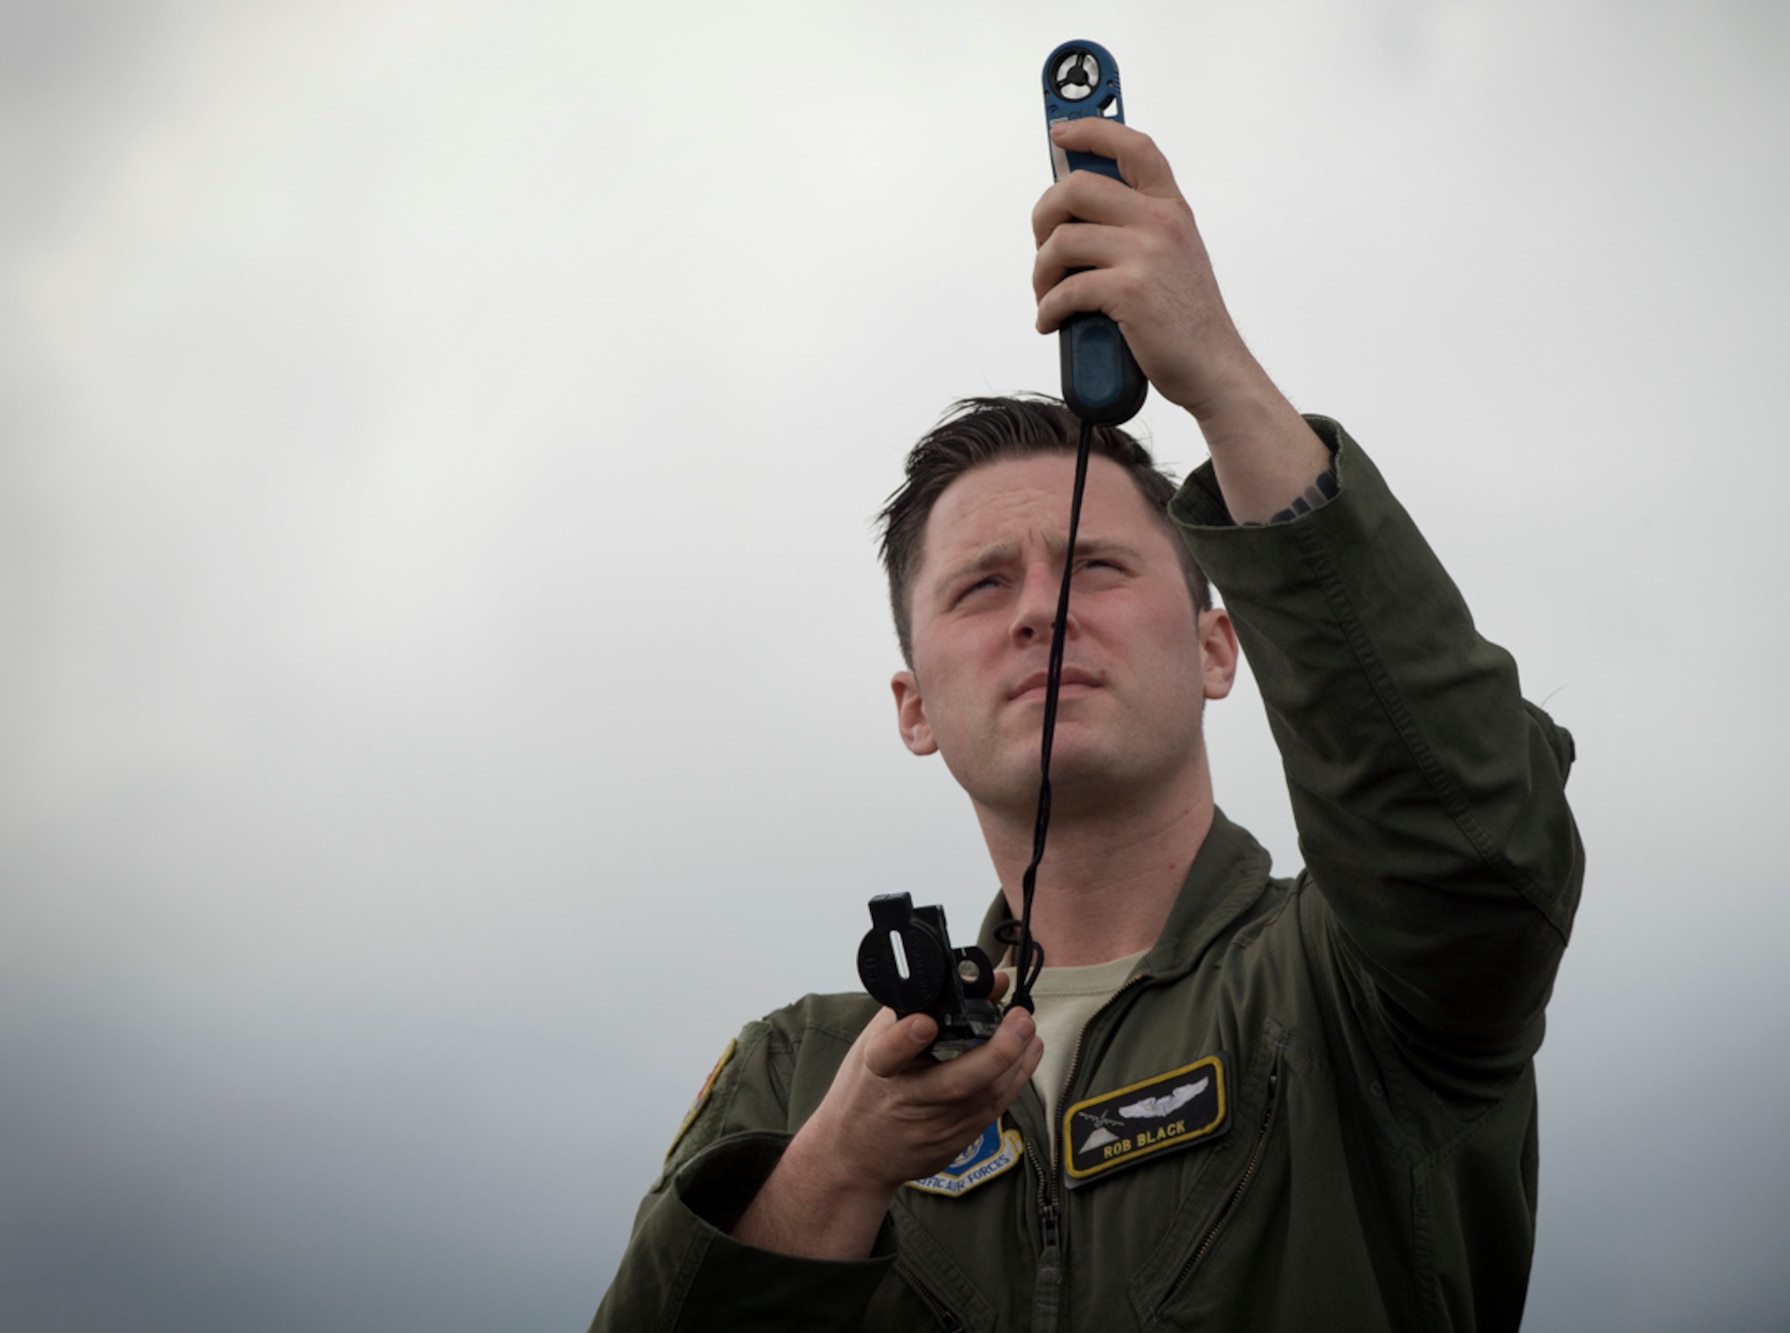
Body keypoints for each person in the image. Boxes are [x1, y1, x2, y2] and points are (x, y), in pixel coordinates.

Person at [588, 115, 1583, 1332]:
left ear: (1219, 648)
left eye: (1098, 567)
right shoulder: (798, 1078)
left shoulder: (1355, 983)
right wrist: (837, 1170)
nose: (1041, 612)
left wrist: (1215, 371)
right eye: (980, 586)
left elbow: (1478, 846)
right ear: (913, 710)